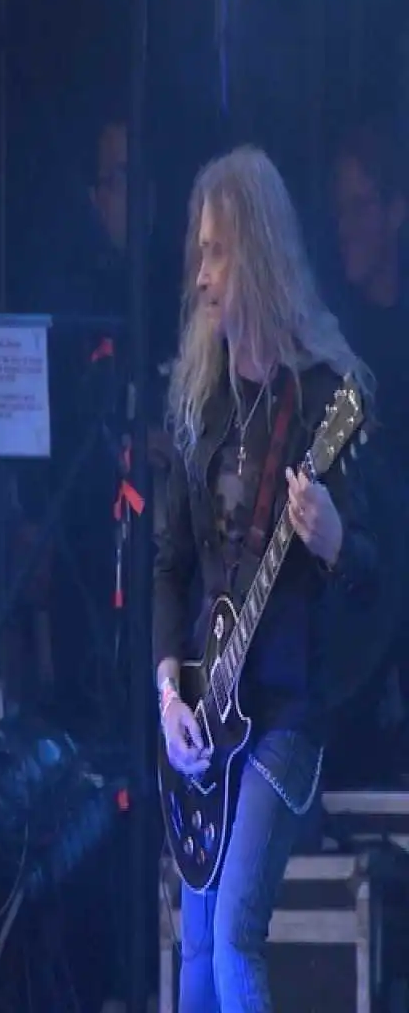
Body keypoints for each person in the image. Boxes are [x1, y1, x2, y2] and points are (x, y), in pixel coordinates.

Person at [154, 145, 377, 1012]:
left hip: (285, 716)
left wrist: (333, 540)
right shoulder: (200, 401)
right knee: (195, 948)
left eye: (217, 253)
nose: (201, 275)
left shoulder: (325, 397)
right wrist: (169, 694)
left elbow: (375, 583)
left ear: (259, 255)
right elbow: (170, 564)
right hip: (205, 713)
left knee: (235, 933)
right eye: (199, 253)